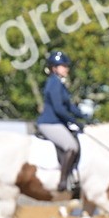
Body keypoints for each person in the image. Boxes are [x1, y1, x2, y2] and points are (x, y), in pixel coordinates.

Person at [35, 50, 86, 194]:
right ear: (54, 68)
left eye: (66, 66)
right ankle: (63, 180)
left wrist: (84, 116)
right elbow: (58, 109)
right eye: (63, 66)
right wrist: (74, 121)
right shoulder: (54, 83)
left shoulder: (60, 83)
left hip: (57, 122)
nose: (66, 68)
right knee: (71, 146)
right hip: (49, 123)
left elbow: (69, 106)